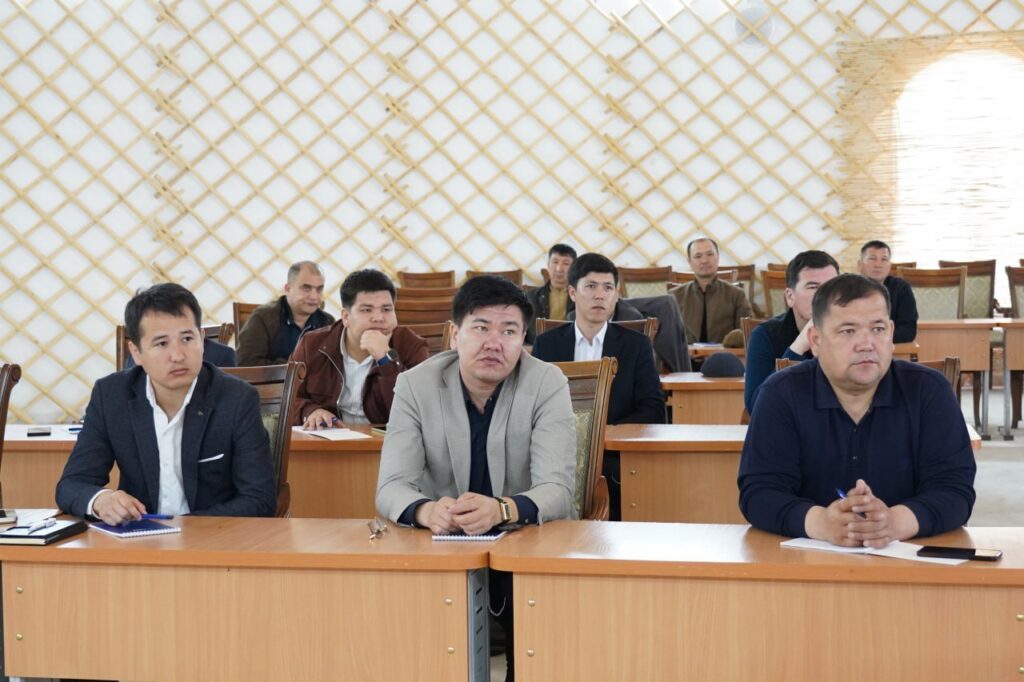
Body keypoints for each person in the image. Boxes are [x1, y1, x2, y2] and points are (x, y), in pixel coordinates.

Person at [376, 275, 576, 682]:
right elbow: (391, 486)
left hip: (525, 540)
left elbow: (557, 489)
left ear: (523, 340)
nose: (494, 343)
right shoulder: (415, 385)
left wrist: (502, 509)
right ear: (455, 334)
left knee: (538, 659)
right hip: (442, 545)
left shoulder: (546, 383)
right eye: (481, 328)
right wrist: (427, 511)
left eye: (509, 331)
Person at [738, 274, 976, 546]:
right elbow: (759, 493)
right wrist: (823, 523)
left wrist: (892, 522)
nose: (866, 344)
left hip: (909, 558)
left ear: (891, 334)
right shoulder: (780, 394)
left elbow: (955, 490)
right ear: (815, 341)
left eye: (878, 329)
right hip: (807, 560)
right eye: (848, 331)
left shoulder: (929, 390)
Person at [56, 283, 277, 523]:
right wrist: (101, 500)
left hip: (213, 537)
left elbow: (259, 498)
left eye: (187, 339)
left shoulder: (237, 398)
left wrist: (181, 529)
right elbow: (71, 485)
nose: (178, 355)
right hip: (137, 538)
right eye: (162, 343)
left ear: (202, 340)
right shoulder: (111, 396)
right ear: (136, 352)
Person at [532, 253, 665, 520]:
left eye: (608, 288)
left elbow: (654, 409)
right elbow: (532, 405)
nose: (600, 295)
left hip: (611, 455)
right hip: (555, 452)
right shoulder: (547, 344)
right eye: (591, 286)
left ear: (616, 295)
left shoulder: (636, 345)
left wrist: (602, 434)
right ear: (572, 292)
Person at [291, 269, 429, 428]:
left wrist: (385, 359)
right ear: (346, 317)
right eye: (366, 310)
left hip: (388, 439)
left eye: (386, 309)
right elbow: (287, 398)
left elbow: (419, 411)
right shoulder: (312, 345)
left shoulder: (412, 346)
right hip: (329, 437)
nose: (378, 318)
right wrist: (310, 411)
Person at [744, 251, 839, 413]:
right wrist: (798, 346)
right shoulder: (765, 335)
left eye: (831, 287)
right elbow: (757, 407)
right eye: (813, 287)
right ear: (790, 296)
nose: (824, 296)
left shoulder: (852, 334)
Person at [236, 261, 335, 366]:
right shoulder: (264, 318)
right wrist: (295, 366)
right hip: (275, 377)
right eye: (306, 288)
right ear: (288, 289)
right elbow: (245, 363)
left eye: (319, 289)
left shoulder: (327, 322)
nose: (314, 297)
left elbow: (334, 364)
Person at [672, 237, 753, 343]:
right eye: (698, 256)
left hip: (725, 352)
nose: (704, 261)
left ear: (718, 258)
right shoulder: (675, 296)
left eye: (710, 254)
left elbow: (747, 333)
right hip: (686, 353)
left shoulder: (736, 294)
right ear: (689, 261)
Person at [857, 239, 918, 343]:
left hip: (889, 347)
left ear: (889, 265)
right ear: (860, 264)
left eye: (884, 259)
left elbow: (908, 330)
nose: (878, 265)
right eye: (872, 259)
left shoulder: (901, 288)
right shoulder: (848, 289)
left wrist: (875, 340)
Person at [525, 243, 577, 343]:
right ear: (548, 266)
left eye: (566, 264)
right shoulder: (531, 297)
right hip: (539, 347)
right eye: (555, 262)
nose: (559, 269)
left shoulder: (581, 297)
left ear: (573, 268)